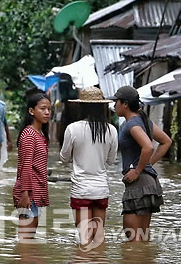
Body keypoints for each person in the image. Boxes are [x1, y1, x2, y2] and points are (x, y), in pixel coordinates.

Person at [109, 86, 172, 242]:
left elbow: (148, 147)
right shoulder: (144, 121)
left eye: (116, 101)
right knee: (142, 238)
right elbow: (166, 142)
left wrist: (138, 170)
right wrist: (146, 165)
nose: (114, 105)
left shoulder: (132, 124)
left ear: (124, 104)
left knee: (133, 238)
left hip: (139, 183)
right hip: (148, 182)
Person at [59, 87, 118, 246]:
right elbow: (111, 160)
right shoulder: (111, 130)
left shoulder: (73, 129)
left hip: (81, 189)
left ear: (82, 106)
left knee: (85, 238)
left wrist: (76, 155)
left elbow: (64, 158)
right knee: (99, 236)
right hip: (101, 188)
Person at [12, 93, 51, 241]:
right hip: (29, 193)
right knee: (25, 241)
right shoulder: (29, 134)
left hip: (35, 190)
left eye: (49, 109)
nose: (47, 112)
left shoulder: (40, 133)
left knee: (29, 240)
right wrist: (25, 194)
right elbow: (26, 166)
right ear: (31, 111)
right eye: (42, 108)